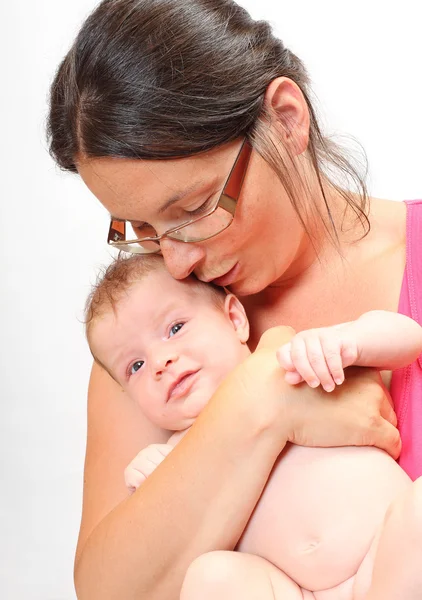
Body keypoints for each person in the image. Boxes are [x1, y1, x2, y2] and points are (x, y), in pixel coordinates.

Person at [46, 1, 422, 598]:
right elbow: (112, 591)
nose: (174, 261)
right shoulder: (152, 337)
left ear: (287, 119)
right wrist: (262, 400)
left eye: (192, 211)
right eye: (140, 230)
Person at [84, 252, 422, 600]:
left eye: (175, 328)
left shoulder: (292, 359)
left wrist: (350, 341)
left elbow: (410, 337)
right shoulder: (174, 459)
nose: (159, 362)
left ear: (234, 320)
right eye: (135, 366)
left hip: (385, 557)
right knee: (209, 576)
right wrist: (146, 479)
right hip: (298, 591)